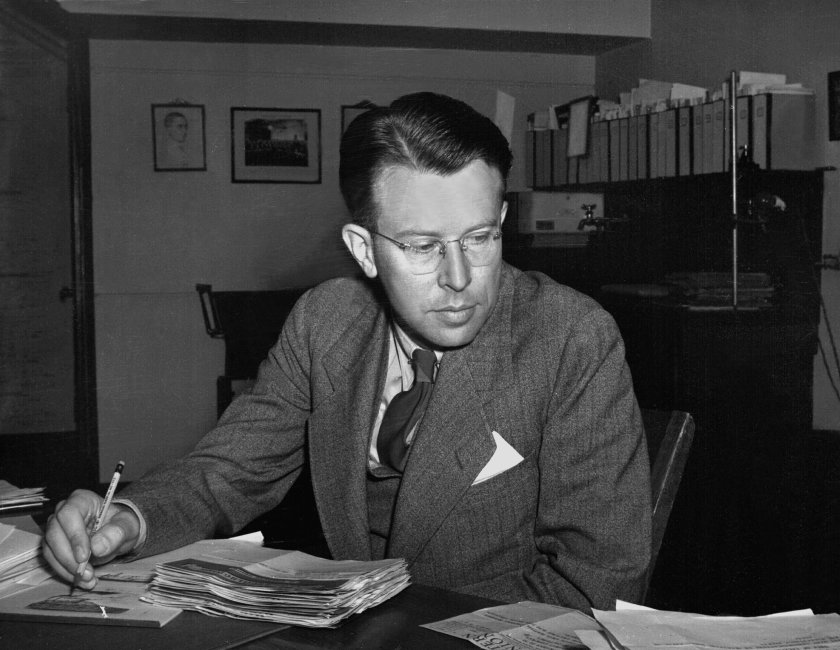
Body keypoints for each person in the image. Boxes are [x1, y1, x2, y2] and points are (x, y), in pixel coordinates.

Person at [43, 91, 651, 610]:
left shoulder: (571, 338)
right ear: (363, 250)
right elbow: (229, 471)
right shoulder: (325, 321)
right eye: (422, 246)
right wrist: (129, 519)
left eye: (480, 237)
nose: (461, 277)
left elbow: (597, 579)